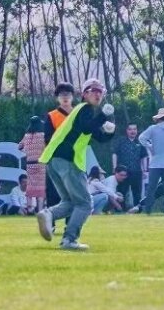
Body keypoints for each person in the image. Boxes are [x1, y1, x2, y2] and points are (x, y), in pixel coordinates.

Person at [35, 79, 116, 251]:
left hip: (54, 159)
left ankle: (48, 214)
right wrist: (103, 116)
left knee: (71, 202)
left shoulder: (82, 112)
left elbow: (98, 136)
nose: (98, 94)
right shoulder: (85, 109)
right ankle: (69, 239)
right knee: (85, 204)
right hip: (68, 159)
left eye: (101, 91)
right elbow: (87, 128)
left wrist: (110, 132)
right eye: (94, 90)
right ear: (85, 94)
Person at [112, 123, 146, 214]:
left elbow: (143, 157)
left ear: (137, 131)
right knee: (121, 191)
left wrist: (144, 170)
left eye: (134, 129)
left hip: (136, 171)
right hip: (123, 172)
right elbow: (115, 154)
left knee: (137, 192)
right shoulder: (121, 141)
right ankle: (120, 210)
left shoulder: (140, 142)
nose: (132, 131)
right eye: (130, 129)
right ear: (127, 131)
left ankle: (137, 210)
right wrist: (115, 167)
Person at [19, 117, 49, 212]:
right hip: (40, 164)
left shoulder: (26, 136)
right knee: (40, 188)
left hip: (29, 164)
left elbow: (19, 146)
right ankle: (40, 209)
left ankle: (29, 208)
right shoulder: (42, 135)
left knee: (30, 187)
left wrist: (26, 151)